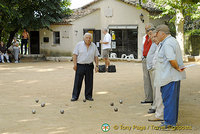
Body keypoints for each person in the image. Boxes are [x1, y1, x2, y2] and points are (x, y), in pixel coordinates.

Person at [155, 24, 186, 127]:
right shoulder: (172, 41)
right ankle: (171, 121)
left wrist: (177, 68)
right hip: (172, 77)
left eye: (157, 33)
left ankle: (169, 123)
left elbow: (171, 60)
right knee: (172, 101)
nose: (156, 35)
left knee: (169, 101)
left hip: (168, 77)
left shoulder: (167, 43)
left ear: (162, 34)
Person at [71, 33, 99, 101]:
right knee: (78, 81)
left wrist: (97, 66)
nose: (88, 39)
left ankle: (88, 96)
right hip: (80, 65)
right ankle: (75, 96)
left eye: (89, 38)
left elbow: (96, 56)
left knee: (89, 82)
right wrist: (75, 64)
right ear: (84, 38)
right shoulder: (79, 45)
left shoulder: (94, 46)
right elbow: (74, 55)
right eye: (87, 37)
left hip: (89, 66)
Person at [147, 30, 164, 121]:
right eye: (152, 37)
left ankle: (160, 115)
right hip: (155, 70)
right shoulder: (158, 45)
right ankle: (159, 113)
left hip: (160, 73)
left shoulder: (162, 45)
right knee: (157, 94)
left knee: (159, 94)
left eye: (155, 37)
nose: (153, 39)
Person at [141, 23, 154, 104]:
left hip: (152, 60)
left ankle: (155, 100)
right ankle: (148, 98)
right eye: (146, 29)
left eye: (148, 29)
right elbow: (143, 48)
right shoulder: (145, 38)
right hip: (145, 59)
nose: (147, 31)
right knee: (146, 80)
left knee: (153, 80)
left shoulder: (154, 38)